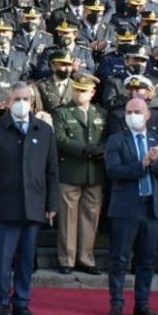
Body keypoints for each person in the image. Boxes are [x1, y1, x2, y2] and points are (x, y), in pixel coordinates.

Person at [0, 81, 59, 315]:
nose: (22, 103)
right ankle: (3, 300)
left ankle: (22, 301)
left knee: (26, 258)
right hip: (4, 205)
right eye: (17, 99)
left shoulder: (43, 130)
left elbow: (52, 170)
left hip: (34, 205)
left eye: (26, 99)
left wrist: (52, 204)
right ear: (8, 101)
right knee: (4, 258)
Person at [105, 97, 158, 315]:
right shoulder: (116, 140)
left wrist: (154, 162)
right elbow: (114, 171)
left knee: (147, 259)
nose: (132, 115)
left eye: (136, 111)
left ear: (147, 115)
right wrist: (141, 164)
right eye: (128, 111)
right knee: (119, 258)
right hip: (126, 207)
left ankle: (142, 303)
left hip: (151, 207)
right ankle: (116, 303)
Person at [51, 73, 107, 275]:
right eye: (76, 89)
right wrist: (84, 149)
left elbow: (107, 137)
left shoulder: (100, 113)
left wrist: (101, 149)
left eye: (84, 91)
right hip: (71, 170)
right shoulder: (62, 112)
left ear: (92, 92)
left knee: (90, 217)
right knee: (68, 218)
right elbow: (59, 138)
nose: (79, 93)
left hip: (94, 173)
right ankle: (67, 258)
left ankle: (86, 257)